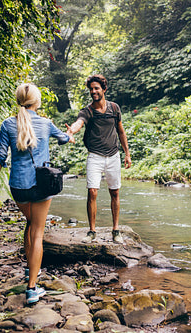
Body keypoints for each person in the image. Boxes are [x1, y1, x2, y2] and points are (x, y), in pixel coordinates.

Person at [0, 83, 74, 305]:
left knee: (30, 223)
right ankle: (32, 288)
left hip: (18, 186)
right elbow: (64, 139)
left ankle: (28, 268)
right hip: (42, 185)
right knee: (38, 232)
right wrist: (70, 133)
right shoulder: (46, 123)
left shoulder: (7, 124)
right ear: (36, 101)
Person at [66, 74, 131, 244]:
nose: (93, 91)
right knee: (92, 191)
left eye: (96, 88)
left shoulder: (114, 108)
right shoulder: (87, 111)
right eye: (91, 89)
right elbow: (79, 123)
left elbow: (121, 132)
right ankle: (92, 231)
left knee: (115, 192)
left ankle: (116, 230)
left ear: (104, 89)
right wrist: (71, 131)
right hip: (94, 156)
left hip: (113, 155)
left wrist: (127, 154)